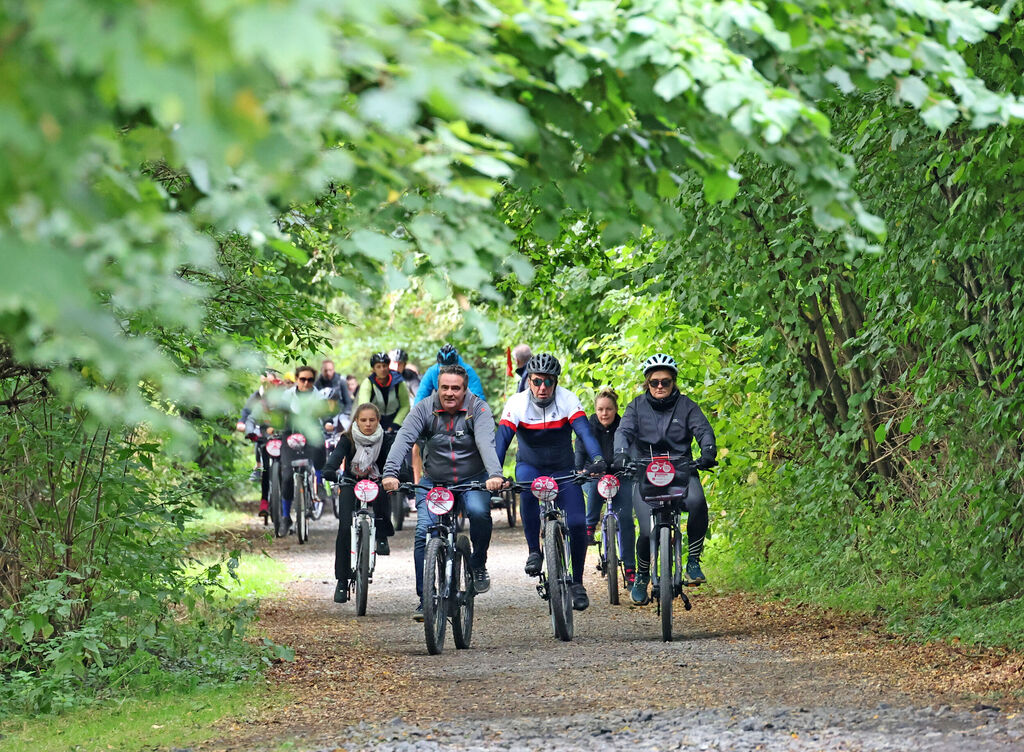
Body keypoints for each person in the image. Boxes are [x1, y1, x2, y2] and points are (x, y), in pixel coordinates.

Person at [381, 365, 504, 620]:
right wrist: (390, 473)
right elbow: (404, 438)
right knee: (422, 533)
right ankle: (425, 599)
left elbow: (485, 441)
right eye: (444, 387)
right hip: (434, 482)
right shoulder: (425, 407)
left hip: (473, 479)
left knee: (480, 513)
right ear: (437, 387)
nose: (449, 393)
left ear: (465, 388)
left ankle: (478, 563)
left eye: (455, 388)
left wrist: (494, 475)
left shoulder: (477, 408)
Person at [495, 353, 606, 611]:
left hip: (563, 469)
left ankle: (577, 583)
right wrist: (494, 473)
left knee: (578, 523)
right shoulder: (517, 403)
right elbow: (501, 442)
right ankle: (534, 550)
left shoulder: (568, 399)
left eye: (548, 382)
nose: (542, 388)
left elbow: (585, 433)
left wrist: (598, 457)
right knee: (525, 487)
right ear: (528, 381)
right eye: (536, 381)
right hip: (530, 466)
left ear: (555, 382)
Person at [612, 353, 717, 605]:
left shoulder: (687, 406)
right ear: (647, 383)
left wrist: (708, 451)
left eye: (666, 382)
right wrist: (621, 454)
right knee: (646, 531)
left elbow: (703, 430)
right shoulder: (635, 407)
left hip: (681, 471)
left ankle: (692, 560)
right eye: (655, 382)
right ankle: (642, 576)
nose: (660, 386)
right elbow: (623, 432)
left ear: (674, 383)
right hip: (644, 473)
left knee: (698, 503)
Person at [322, 403, 397, 603]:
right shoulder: (347, 439)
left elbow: (394, 461)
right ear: (356, 421)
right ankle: (341, 581)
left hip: (376, 481)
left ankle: (381, 534)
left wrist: (400, 476)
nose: (368, 424)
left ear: (378, 421)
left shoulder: (387, 439)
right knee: (345, 528)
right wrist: (330, 469)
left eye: (372, 420)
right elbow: (337, 456)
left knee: (382, 493)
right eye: (363, 420)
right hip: (351, 483)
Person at [575, 387, 637, 585]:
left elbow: (631, 449)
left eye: (609, 409)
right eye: (601, 409)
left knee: (626, 517)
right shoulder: (588, 426)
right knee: (594, 486)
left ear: (615, 409)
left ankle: (629, 567)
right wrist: (579, 469)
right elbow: (579, 450)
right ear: (595, 409)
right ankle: (589, 526)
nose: (604, 413)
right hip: (592, 476)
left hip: (619, 477)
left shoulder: (623, 426)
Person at [277, 365, 334, 534]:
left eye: (310, 380)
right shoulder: (287, 396)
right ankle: (286, 518)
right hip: (290, 434)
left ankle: (319, 483)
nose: (306, 383)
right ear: (296, 380)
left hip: (311, 432)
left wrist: (328, 422)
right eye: (303, 379)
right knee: (286, 476)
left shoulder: (318, 396)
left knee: (319, 447)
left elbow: (325, 414)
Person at [356, 352, 410, 432]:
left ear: (388, 367)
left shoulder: (399, 382)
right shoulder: (368, 383)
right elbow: (363, 407)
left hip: (395, 419)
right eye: (378, 367)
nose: (382, 369)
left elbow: (405, 405)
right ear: (373, 369)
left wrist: (395, 424)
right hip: (374, 420)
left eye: (384, 366)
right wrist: (374, 424)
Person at [413, 344, 485, 403]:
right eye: (443, 369)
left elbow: (477, 395)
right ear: (439, 365)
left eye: (451, 369)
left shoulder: (468, 371)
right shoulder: (432, 371)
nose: (446, 373)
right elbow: (421, 395)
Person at [315, 359, 353, 427]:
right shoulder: (317, 384)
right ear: (321, 370)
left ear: (334, 369)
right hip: (323, 417)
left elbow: (348, 402)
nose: (328, 373)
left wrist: (344, 416)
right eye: (325, 370)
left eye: (330, 370)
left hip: (340, 416)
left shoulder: (341, 382)